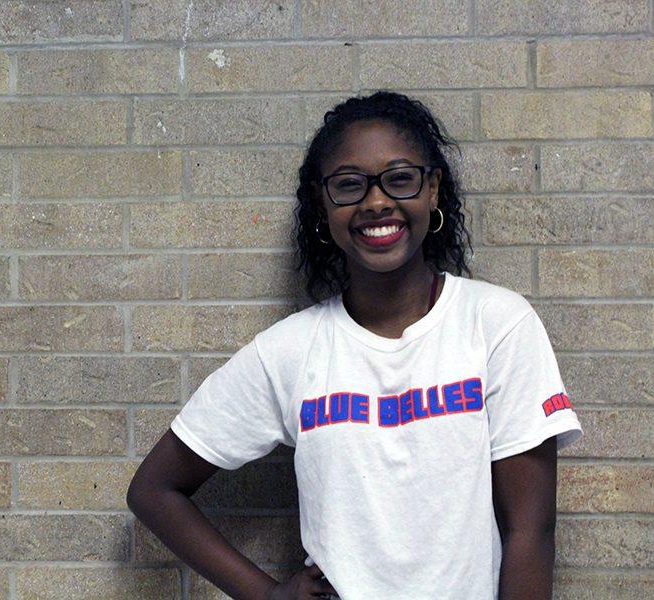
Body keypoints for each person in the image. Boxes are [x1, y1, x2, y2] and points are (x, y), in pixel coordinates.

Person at [126, 91, 583, 599]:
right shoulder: (290, 351)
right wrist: (270, 595)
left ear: (432, 190)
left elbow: (530, 532)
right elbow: (154, 490)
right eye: (349, 186)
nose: (377, 202)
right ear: (324, 206)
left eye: (400, 178)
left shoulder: (496, 324)